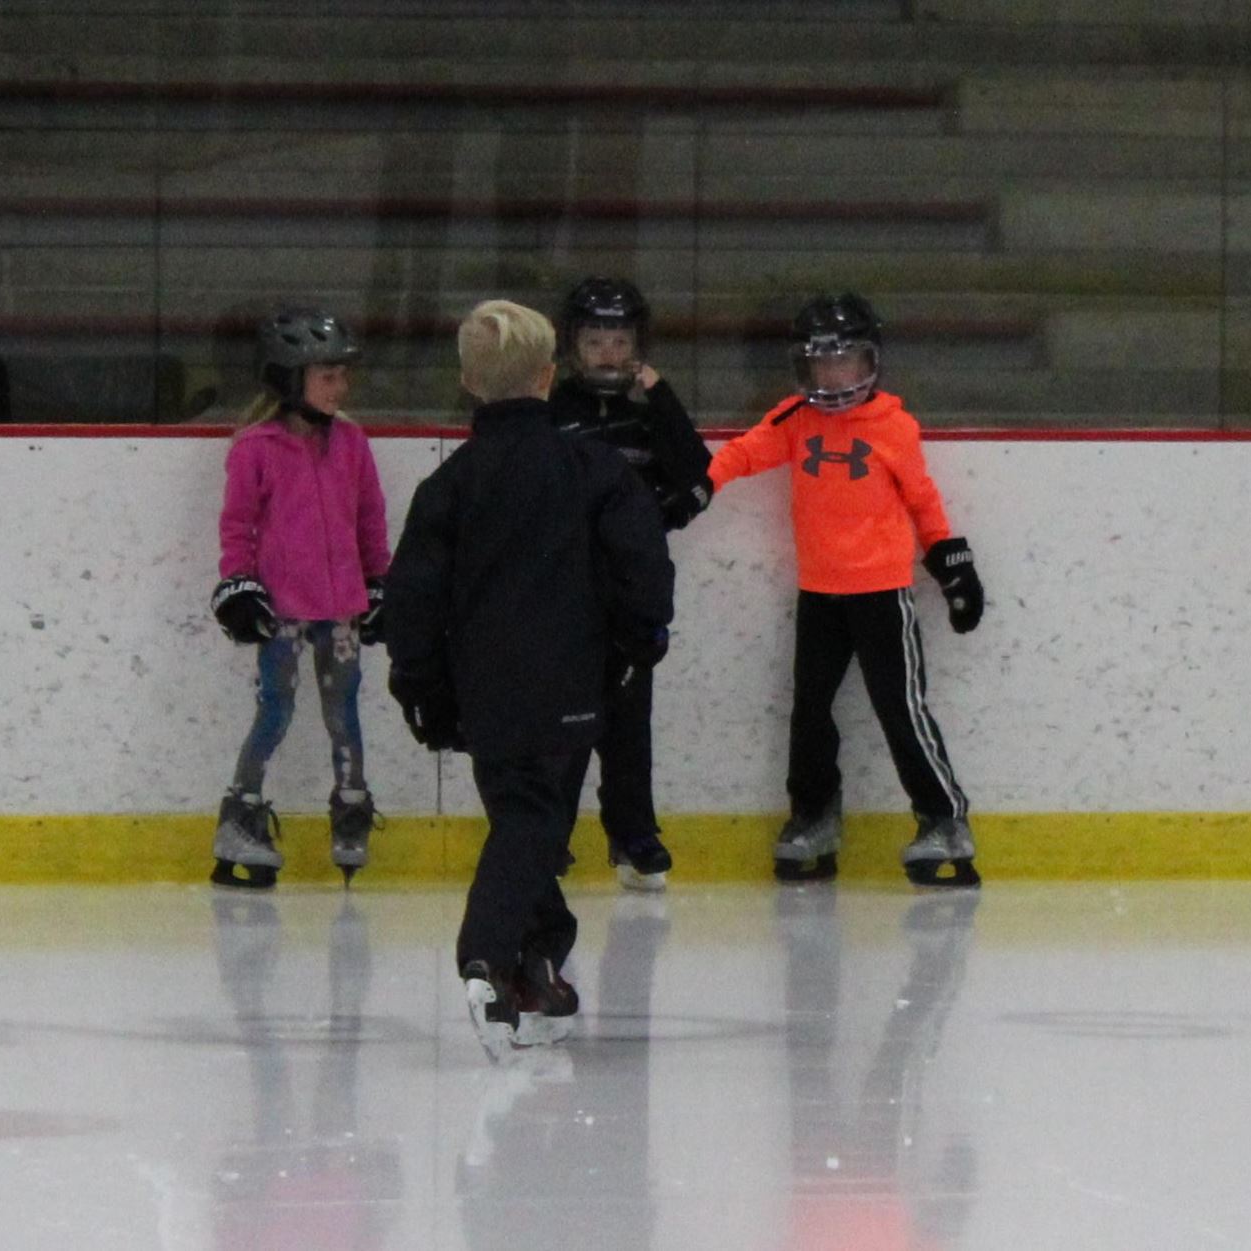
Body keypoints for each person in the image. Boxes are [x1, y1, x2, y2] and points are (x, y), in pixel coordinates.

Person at [382, 299, 673, 1059]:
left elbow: (411, 599)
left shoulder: (449, 486)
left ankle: (540, 966)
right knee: (531, 821)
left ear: (469, 384)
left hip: (484, 692)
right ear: (549, 376)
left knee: (525, 815)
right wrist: (640, 643)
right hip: (573, 686)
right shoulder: (591, 468)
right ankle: (485, 954)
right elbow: (643, 565)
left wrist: (420, 688)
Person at [704, 292, 986, 887]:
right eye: (822, 362)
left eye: (847, 360)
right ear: (804, 367)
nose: (834, 375)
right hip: (820, 594)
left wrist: (950, 562)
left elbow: (922, 500)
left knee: (900, 710)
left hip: (882, 593)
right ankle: (813, 815)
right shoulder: (794, 419)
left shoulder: (894, 427)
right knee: (809, 711)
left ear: (871, 362)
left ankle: (944, 820)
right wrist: (701, 484)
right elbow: (748, 450)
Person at [207, 306, 393, 889]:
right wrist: (239, 586)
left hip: (340, 610)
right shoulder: (255, 449)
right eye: (326, 376)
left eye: (343, 375)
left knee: (345, 712)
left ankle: (351, 807)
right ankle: (241, 814)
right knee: (276, 710)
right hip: (283, 612)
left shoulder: (354, 442)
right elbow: (238, 526)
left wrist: (379, 581)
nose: (340, 388)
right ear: (290, 380)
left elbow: (370, 520)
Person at [547, 276, 714, 891]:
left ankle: (633, 834)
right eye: (596, 341)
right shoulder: (553, 413)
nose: (609, 354)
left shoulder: (650, 417)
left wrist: (661, 397)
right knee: (562, 722)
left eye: (620, 341)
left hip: (633, 598)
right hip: (564, 598)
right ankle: (550, 837)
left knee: (628, 723)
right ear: (573, 346)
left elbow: (698, 475)